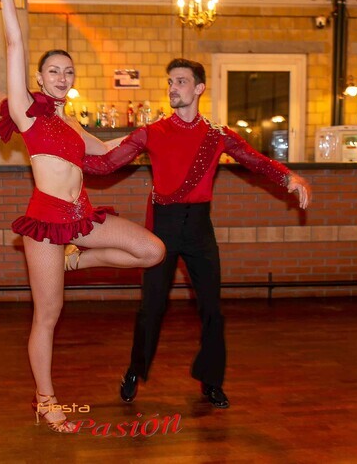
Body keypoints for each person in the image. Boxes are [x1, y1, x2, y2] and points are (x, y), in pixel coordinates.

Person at [0, 0, 165, 434]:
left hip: (81, 217)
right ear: (40, 78)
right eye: (54, 71)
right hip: (45, 222)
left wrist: (156, 135)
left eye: (68, 72)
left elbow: (111, 151)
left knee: (152, 251)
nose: (62, 77)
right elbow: (14, 42)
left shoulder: (73, 125)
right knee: (48, 315)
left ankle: (73, 262)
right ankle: (46, 399)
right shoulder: (27, 113)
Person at [83, 58, 311, 409]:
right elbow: (106, 164)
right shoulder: (152, 132)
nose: (173, 88)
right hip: (163, 226)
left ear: (199, 88)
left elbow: (254, 160)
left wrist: (288, 178)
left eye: (181, 81)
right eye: (170, 82)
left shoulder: (217, 135)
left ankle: (212, 381)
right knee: (151, 307)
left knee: (212, 309)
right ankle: (134, 371)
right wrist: (60, 155)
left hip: (199, 228)